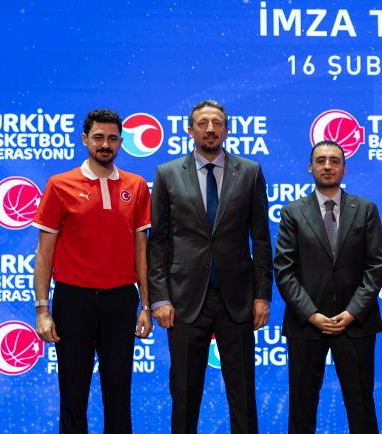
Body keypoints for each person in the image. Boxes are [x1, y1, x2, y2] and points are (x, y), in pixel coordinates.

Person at [147, 100, 273, 434]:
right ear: (190, 130)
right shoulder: (168, 173)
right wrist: (160, 298)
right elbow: (157, 241)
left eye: (217, 123)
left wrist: (262, 296)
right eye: (202, 123)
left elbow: (261, 239)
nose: (210, 129)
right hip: (184, 300)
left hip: (238, 298)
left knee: (242, 394)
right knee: (185, 394)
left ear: (227, 130)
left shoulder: (249, 172)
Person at [32, 108, 153, 434]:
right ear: (85, 139)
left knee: (119, 397)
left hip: (121, 301)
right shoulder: (59, 185)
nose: (105, 145)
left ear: (121, 143)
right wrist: (42, 310)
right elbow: (44, 254)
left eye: (112, 138)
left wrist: (146, 304)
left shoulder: (137, 186)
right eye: (98, 137)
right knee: (73, 396)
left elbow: (141, 250)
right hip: (74, 302)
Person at [274, 140, 382, 434]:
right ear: (310, 168)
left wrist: (351, 312)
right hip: (306, 323)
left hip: (356, 323)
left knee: (362, 408)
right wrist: (311, 314)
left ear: (344, 169)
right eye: (321, 161)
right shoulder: (293, 212)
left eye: (334, 161)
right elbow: (284, 270)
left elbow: (375, 267)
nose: (327, 166)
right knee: (302, 409)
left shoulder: (366, 209)